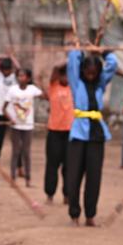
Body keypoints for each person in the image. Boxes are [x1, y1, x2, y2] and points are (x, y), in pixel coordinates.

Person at [64, 46, 118, 227]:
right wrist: (82, 49)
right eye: (88, 71)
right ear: (83, 70)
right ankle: (74, 214)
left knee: (94, 178)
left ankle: (90, 215)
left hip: (97, 136)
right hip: (78, 135)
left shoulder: (101, 84)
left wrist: (104, 52)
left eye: (94, 72)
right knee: (73, 177)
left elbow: (113, 64)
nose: (91, 74)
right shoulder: (76, 82)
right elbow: (72, 59)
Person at [2, 68, 43, 188]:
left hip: (28, 126)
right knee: (15, 152)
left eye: (23, 76)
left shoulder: (32, 89)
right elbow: (4, 108)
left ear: (28, 78)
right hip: (15, 126)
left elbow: (45, 96)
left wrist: (40, 82)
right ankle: (13, 179)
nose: (21, 78)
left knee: (26, 153)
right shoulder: (12, 90)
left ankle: (28, 179)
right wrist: (11, 119)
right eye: (19, 75)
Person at [43, 65, 73, 205]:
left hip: (70, 133)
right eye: (63, 75)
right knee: (52, 166)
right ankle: (50, 194)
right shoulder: (53, 86)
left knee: (69, 166)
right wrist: (70, 58)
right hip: (54, 132)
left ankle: (67, 194)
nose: (65, 78)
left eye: (68, 75)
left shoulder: (73, 88)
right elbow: (55, 69)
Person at [0, 56, 17, 168]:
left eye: (8, 69)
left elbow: (19, 69)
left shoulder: (15, 78)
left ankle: (18, 166)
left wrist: (12, 57)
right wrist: (1, 56)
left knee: (16, 142)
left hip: (12, 114)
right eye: (3, 69)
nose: (5, 71)